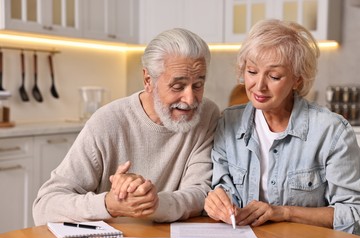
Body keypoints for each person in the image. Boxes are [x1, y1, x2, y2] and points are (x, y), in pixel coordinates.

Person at [204, 19, 360, 236]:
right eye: (252, 71)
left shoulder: (331, 131)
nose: (259, 85)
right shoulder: (228, 123)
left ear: (297, 79)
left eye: (274, 76)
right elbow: (223, 190)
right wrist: (217, 202)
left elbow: (356, 215)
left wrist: (284, 212)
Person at [33, 28, 220, 225]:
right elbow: (45, 206)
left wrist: (154, 203)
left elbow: (201, 192)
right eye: (178, 86)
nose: (190, 100)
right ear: (148, 80)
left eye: (198, 85)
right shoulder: (107, 122)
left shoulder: (206, 115)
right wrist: (109, 204)